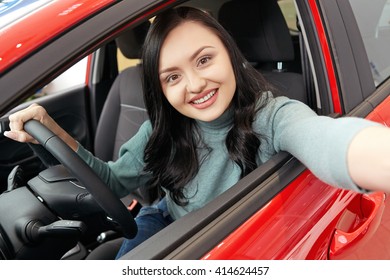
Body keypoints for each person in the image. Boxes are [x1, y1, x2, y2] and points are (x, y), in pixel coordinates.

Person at [3, 7, 390, 259]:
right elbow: (111, 181)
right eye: (172, 77)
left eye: (204, 59)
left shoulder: (271, 115)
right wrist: (51, 132)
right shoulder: (162, 126)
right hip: (165, 217)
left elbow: (328, 139)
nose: (194, 85)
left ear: (231, 55)